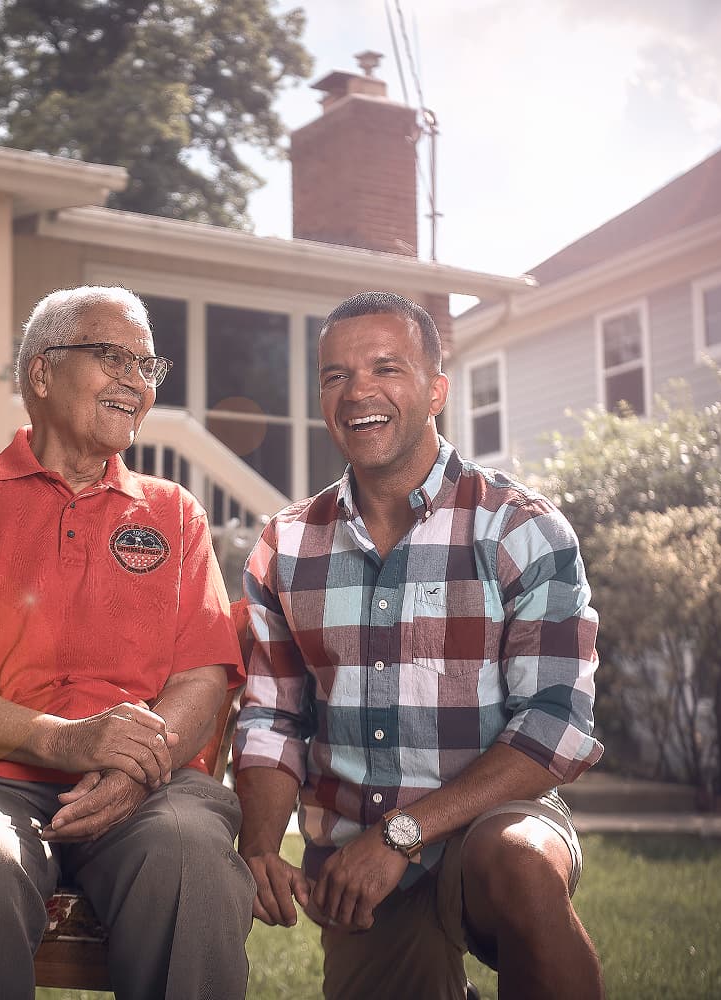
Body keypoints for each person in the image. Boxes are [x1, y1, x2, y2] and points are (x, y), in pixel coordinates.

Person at [0, 285, 254, 1000]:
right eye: (111, 356)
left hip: (149, 787)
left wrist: (135, 764)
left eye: (147, 364)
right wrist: (66, 742)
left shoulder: (176, 514)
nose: (136, 380)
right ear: (41, 372)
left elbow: (202, 677)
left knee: (191, 856)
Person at [232, 290, 606, 1000]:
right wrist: (257, 847)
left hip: (488, 826)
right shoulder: (285, 548)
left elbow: (557, 723)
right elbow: (272, 721)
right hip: (353, 867)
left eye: (385, 368)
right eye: (336, 375)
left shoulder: (520, 529)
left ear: (437, 389)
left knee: (523, 866)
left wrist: (403, 834)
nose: (358, 392)